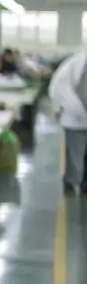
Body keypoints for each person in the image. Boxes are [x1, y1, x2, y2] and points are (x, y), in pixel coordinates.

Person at [48, 50, 87, 196]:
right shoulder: (76, 63)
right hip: (75, 120)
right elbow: (58, 87)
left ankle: (84, 183)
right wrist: (74, 108)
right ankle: (70, 183)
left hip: (79, 116)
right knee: (75, 155)